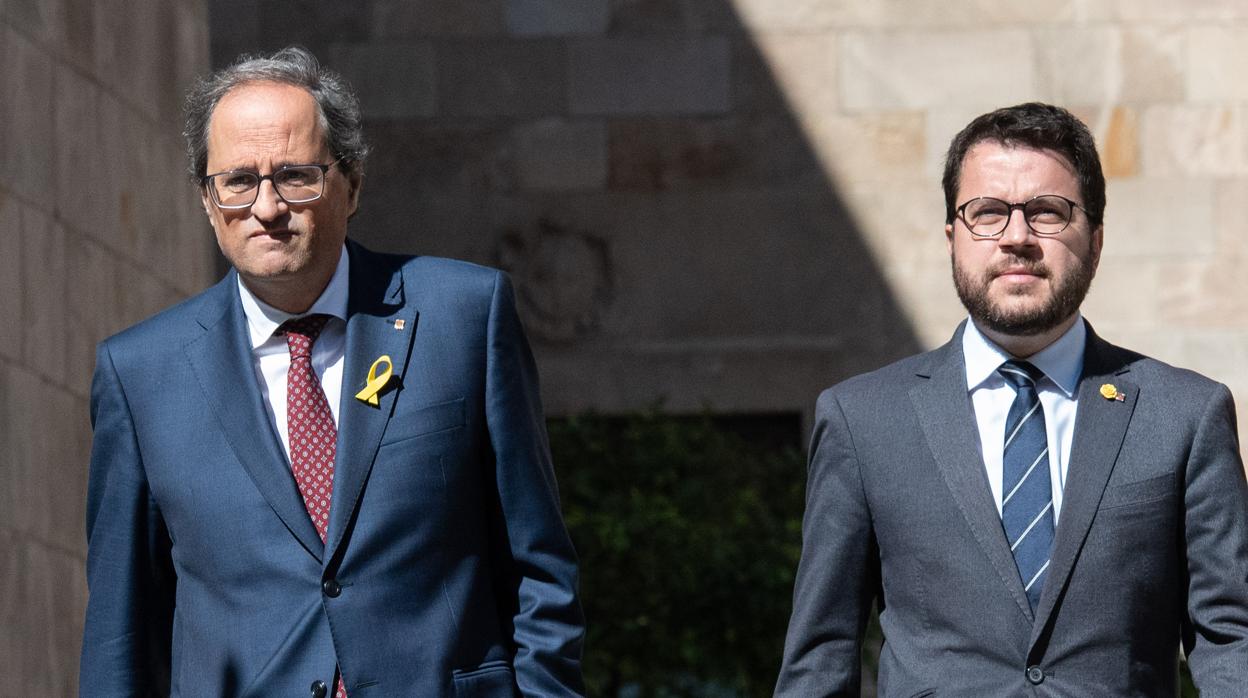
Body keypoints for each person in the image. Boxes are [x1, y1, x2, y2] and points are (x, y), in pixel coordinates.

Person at [79, 46, 584, 697]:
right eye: (237, 181)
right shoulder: (141, 374)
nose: (266, 207)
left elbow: (539, 570)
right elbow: (121, 631)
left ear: (353, 184)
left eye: (295, 176)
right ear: (207, 202)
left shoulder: (463, 317)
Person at [774, 103, 1248, 696]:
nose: (1017, 237)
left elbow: (1233, 636)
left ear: (1095, 241)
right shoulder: (863, 419)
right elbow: (821, 651)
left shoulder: (1183, 414)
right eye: (988, 213)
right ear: (953, 238)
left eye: (1047, 213)